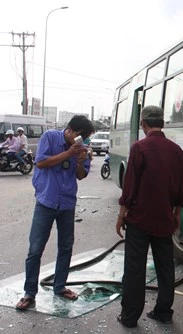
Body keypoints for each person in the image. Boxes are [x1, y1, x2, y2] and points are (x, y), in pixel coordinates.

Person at [116, 105, 183, 328]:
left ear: (143, 123)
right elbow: (180, 191)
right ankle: (164, 311)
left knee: (134, 269)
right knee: (165, 268)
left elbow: (130, 188)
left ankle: (129, 317)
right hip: (165, 219)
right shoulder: (177, 151)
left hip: (140, 220)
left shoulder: (139, 148)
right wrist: (176, 214)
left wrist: (121, 215)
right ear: (162, 123)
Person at [15, 115, 94, 311]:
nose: (83, 141)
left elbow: (81, 176)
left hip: (67, 203)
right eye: (81, 136)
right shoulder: (50, 137)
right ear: (71, 131)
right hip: (46, 202)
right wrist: (69, 153)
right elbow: (41, 163)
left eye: (85, 139)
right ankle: (29, 293)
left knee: (66, 246)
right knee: (35, 249)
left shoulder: (81, 149)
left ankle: (60, 286)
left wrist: (80, 159)